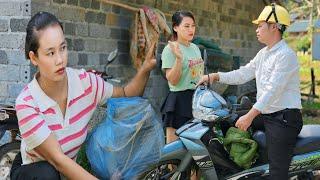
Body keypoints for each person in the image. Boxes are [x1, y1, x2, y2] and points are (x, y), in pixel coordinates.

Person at [11, 11, 156, 180]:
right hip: (33, 172)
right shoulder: (27, 103)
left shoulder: (84, 83)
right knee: (46, 173)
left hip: (64, 172)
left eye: (63, 48)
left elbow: (125, 94)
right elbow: (58, 160)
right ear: (33, 58)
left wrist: (145, 69)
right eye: (50, 53)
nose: (60, 60)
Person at [198, 3, 302, 180]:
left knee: (277, 172)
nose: (257, 30)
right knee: (227, 119)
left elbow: (272, 91)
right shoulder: (264, 53)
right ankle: (234, 170)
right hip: (268, 113)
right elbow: (243, 73)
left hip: (284, 119)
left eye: (260, 26)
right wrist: (215, 76)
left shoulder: (286, 55)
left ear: (275, 27)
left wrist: (250, 116)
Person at [161, 11, 204, 144]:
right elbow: (172, 80)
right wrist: (179, 59)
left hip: (196, 101)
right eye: (186, 26)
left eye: (193, 26)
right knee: (174, 149)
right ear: (175, 27)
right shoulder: (170, 49)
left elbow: (199, 75)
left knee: (196, 150)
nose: (191, 29)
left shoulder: (195, 48)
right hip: (179, 102)